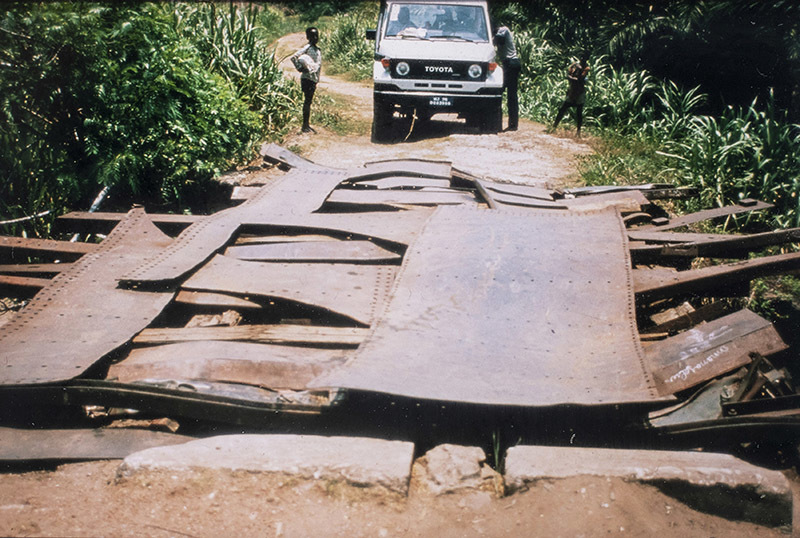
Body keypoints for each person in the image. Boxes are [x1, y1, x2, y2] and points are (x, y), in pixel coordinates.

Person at [291, 27, 322, 134]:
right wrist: (299, 68)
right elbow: (294, 57)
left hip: (313, 79)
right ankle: (305, 125)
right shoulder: (307, 48)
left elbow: (317, 66)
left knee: (308, 101)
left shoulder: (317, 50)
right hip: (307, 79)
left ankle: (306, 124)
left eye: (316, 35)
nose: (315, 38)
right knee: (307, 102)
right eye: (312, 36)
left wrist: (317, 79)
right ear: (308, 37)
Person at [552, 52, 590, 137]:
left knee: (579, 112)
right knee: (563, 109)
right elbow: (569, 75)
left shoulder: (586, 68)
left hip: (579, 92)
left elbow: (579, 79)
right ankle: (554, 126)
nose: (583, 60)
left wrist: (572, 77)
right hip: (572, 91)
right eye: (582, 58)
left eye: (584, 58)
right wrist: (573, 78)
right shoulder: (575, 65)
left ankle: (578, 132)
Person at [493, 24, 520, 131]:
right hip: (509, 63)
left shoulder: (503, 30)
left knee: (504, 92)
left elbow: (498, 41)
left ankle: (509, 124)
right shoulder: (499, 33)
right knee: (510, 94)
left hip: (511, 63)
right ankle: (512, 124)